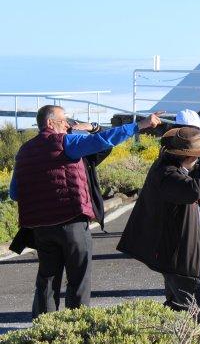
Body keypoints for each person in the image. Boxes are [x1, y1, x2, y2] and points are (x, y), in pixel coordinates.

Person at [10, 105, 161, 318]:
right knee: (78, 279)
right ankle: (76, 327)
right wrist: (139, 126)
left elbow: (15, 193)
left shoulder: (24, 151)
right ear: (51, 123)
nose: (67, 124)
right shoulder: (66, 143)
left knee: (47, 280)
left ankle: (43, 331)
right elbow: (104, 140)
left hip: (40, 229)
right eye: (64, 120)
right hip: (71, 223)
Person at [117, 127, 200, 323]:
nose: (199, 160)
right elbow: (192, 189)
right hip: (178, 254)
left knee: (180, 306)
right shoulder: (167, 173)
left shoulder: (169, 169)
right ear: (189, 156)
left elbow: (187, 195)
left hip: (176, 252)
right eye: (197, 155)